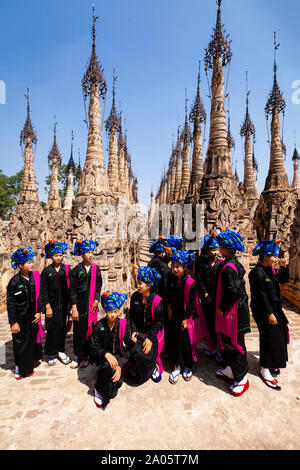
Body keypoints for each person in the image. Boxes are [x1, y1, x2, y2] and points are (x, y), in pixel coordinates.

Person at [166, 247, 214, 384]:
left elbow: (192, 304)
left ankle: (187, 365)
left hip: (185, 316)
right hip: (174, 314)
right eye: (174, 266)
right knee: (175, 340)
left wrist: (186, 319)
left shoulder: (191, 284)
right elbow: (169, 295)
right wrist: (169, 308)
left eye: (178, 267)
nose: (175, 269)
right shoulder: (171, 279)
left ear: (185, 267)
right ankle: (177, 365)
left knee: (186, 342)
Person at [214, 229, 251, 397]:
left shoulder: (230, 267)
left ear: (227, 248)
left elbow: (234, 291)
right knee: (228, 343)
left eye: (221, 246)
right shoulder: (230, 262)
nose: (219, 248)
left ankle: (241, 378)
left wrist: (222, 306)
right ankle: (231, 370)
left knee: (235, 345)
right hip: (234, 313)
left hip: (235, 316)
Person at [249, 240, 289, 391]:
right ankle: (265, 368)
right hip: (264, 310)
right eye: (273, 256)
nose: (276, 258)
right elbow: (260, 295)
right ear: (265, 256)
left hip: (274, 308)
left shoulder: (270, 270)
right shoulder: (257, 273)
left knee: (277, 337)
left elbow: (284, 280)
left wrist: (284, 267)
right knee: (269, 337)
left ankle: (272, 362)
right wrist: (269, 313)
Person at [7, 247, 45, 379]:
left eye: (31, 262)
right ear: (20, 265)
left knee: (30, 343)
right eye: (28, 263)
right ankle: (19, 368)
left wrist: (39, 311)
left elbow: (39, 296)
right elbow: (11, 304)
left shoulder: (34, 278)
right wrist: (13, 322)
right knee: (20, 344)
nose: (31, 264)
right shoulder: (14, 282)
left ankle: (28, 366)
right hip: (20, 318)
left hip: (32, 317)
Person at [90, 291, 131, 409]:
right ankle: (98, 388)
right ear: (105, 311)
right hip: (103, 360)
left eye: (115, 311)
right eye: (110, 312)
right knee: (107, 369)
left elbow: (128, 349)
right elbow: (93, 348)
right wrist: (106, 354)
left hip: (118, 359)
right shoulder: (99, 326)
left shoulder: (124, 325)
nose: (113, 315)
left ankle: (108, 380)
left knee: (115, 388)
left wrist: (120, 367)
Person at [127, 265, 164, 384]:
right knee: (131, 350)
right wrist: (133, 330)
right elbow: (132, 316)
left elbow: (159, 322)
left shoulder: (157, 301)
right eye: (137, 283)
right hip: (138, 331)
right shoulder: (135, 297)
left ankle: (152, 366)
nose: (137, 286)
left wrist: (150, 339)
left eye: (140, 283)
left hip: (153, 333)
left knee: (146, 355)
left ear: (148, 285)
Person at [69, 240, 102, 369]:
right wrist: (74, 307)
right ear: (82, 254)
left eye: (92, 252)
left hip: (91, 306)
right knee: (78, 331)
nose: (90, 255)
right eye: (88, 252)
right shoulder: (77, 270)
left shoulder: (95, 268)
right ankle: (78, 355)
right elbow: (72, 289)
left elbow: (98, 284)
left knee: (90, 332)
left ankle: (87, 355)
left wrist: (96, 299)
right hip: (80, 305)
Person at [41, 240, 71, 366]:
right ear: (51, 257)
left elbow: (70, 287)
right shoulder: (47, 271)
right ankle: (51, 353)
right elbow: (43, 290)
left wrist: (70, 303)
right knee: (51, 329)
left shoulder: (66, 270)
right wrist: (47, 306)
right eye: (55, 255)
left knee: (62, 328)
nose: (58, 257)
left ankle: (60, 350)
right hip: (51, 306)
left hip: (63, 305)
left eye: (60, 255)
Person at [195, 233, 222, 361]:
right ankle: (211, 345)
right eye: (213, 249)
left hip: (217, 297)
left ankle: (219, 348)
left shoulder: (220, 264)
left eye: (217, 249)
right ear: (207, 250)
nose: (215, 252)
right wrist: (205, 293)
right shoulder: (201, 263)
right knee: (208, 321)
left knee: (217, 322)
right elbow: (198, 279)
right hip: (206, 297)